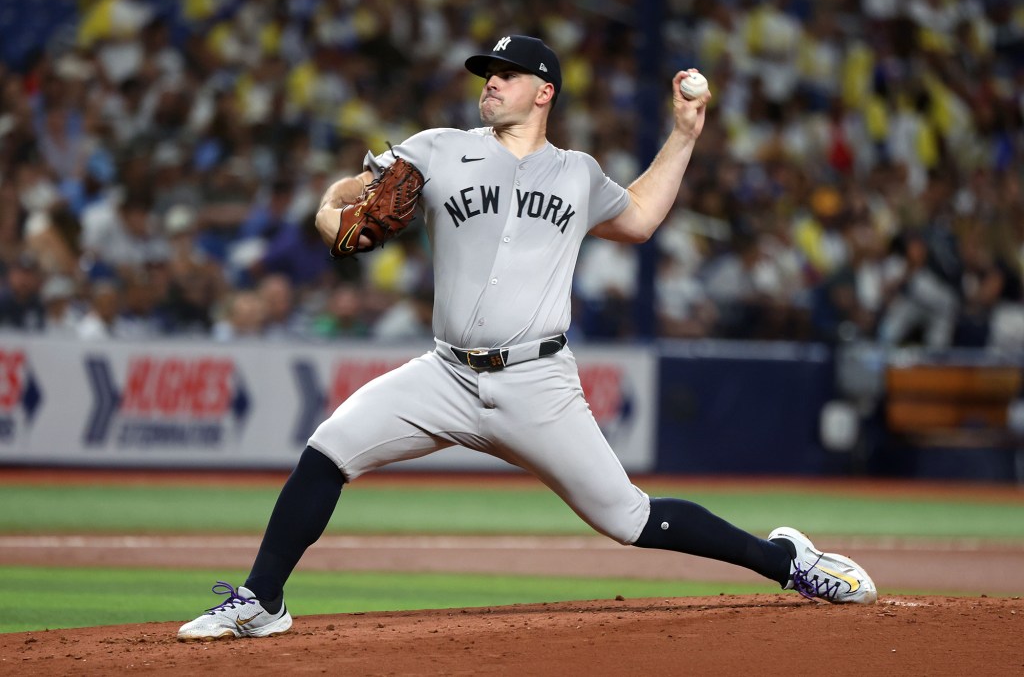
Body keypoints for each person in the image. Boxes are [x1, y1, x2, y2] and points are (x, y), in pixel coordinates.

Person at [178, 35, 876, 641]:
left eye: (506, 74)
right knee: (330, 449)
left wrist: (685, 134)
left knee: (629, 519)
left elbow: (637, 220)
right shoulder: (436, 149)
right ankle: (261, 600)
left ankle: (788, 563)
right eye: (487, 73)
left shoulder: (576, 172)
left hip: (536, 381)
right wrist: (332, 206)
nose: (491, 82)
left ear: (544, 92)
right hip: (444, 374)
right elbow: (354, 208)